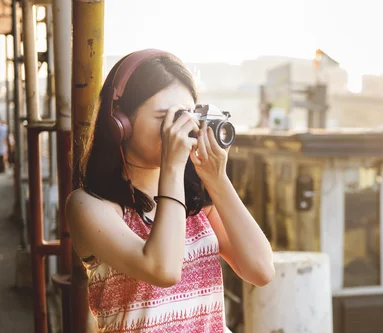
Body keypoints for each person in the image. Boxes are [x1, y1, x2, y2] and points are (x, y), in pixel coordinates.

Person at [65, 49, 275, 332]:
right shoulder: (88, 205)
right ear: (120, 124)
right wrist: (173, 168)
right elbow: (162, 270)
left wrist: (217, 179)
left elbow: (260, 270)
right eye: (165, 116)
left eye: (186, 115)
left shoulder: (194, 199)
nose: (179, 128)